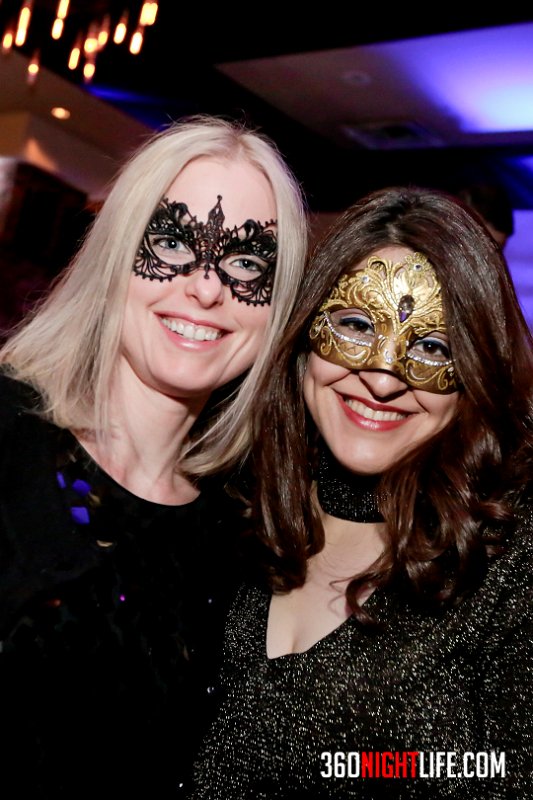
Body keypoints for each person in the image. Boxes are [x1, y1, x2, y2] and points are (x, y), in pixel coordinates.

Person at [0, 115, 307, 797]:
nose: (205, 287)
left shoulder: (242, 537)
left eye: (247, 260)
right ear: (115, 253)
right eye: (172, 243)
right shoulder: (5, 433)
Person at [191, 187, 533, 798]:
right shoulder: (227, 502)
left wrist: (356, 767)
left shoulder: (510, 555)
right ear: (303, 341)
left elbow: (509, 772)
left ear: (476, 371)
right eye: (355, 325)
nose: (381, 377)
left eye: (432, 347)